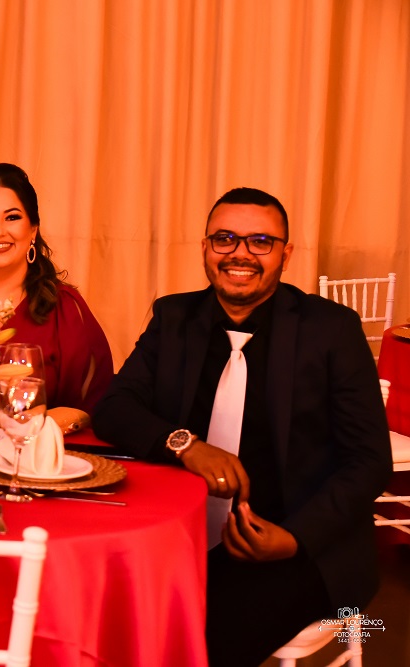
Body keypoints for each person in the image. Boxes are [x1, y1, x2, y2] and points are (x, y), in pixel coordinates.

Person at [93, 187, 392, 666]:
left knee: (194, 641)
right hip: (180, 533)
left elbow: (370, 461)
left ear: (285, 255)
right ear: (206, 247)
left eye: (261, 242)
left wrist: (294, 537)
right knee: (105, 614)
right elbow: (115, 407)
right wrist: (185, 444)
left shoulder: (331, 329)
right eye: (225, 238)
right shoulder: (174, 317)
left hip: (299, 546)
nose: (240, 254)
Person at [0, 162, 113, 411]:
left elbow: (96, 408)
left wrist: (38, 423)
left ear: (33, 229)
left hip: (40, 437)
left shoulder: (65, 309)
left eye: (12, 217)